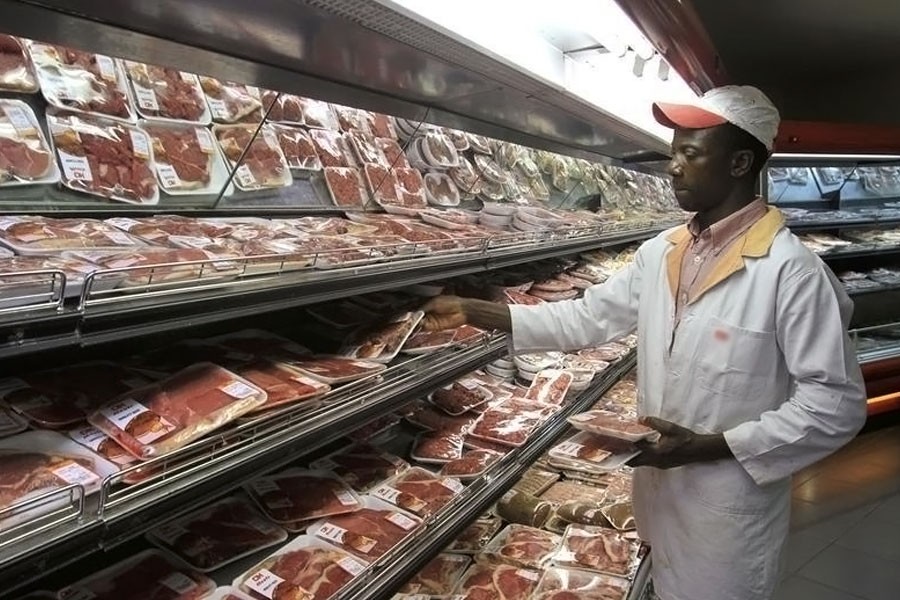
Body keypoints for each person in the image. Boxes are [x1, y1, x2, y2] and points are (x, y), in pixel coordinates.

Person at [421, 85, 868, 600]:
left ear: (741, 162)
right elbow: (588, 318)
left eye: (691, 154)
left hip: (727, 508)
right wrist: (479, 311)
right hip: (658, 496)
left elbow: (835, 405)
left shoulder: (792, 273)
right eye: (673, 152)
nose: (673, 167)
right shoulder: (663, 251)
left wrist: (712, 447)